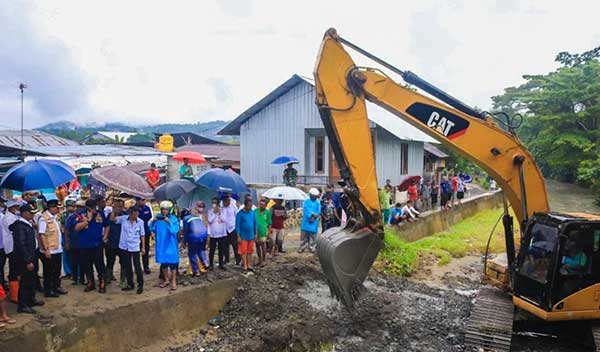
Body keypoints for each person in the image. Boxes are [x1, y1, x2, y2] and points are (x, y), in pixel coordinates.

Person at [10, 204, 44, 313]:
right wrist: (28, 260)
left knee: (32, 280)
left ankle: (30, 299)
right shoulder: (20, 226)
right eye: (31, 213)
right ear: (24, 213)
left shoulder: (26, 224)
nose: (33, 215)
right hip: (25, 258)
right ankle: (23, 305)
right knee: (25, 281)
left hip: (31, 255)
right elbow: (21, 244)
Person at [72, 199, 107, 293]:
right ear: (87, 208)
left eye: (95, 207)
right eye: (92, 208)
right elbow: (76, 228)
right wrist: (88, 220)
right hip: (84, 245)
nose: (95, 209)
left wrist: (105, 236)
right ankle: (90, 282)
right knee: (87, 265)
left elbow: (107, 225)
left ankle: (102, 283)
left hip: (97, 244)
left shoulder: (100, 213)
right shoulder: (80, 214)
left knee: (100, 264)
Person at [112, 206, 145, 294]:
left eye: (137, 214)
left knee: (137, 266)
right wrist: (113, 210)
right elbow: (113, 219)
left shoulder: (140, 222)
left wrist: (143, 247)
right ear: (130, 214)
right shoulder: (123, 219)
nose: (136, 216)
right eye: (134, 214)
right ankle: (130, 284)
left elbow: (142, 235)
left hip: (135, 246)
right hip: (124, 246)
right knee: (127, 266)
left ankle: (140, 284)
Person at [38, 200, 67, 298]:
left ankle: (56, 287)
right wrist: (46, 249)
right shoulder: (43, 219)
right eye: (57, 207)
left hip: (57, 248)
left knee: (57, 270)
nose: (58, 209)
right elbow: (41, 235)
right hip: (50, 250)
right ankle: (48, 290)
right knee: (49, 271)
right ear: (51, 208)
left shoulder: (55, 217)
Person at [152, 201, 180, 290]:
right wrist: (153, 221)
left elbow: (174, 231)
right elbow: (152, 229)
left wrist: (169, 223)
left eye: (166, 210)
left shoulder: (174, 219)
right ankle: (166, 280)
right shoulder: (159, 219)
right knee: (163, 263)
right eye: (163, 209)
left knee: (173, 264)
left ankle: (174, 281)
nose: (164, 211)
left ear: (170, 210)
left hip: (171, 244)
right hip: (161, 244)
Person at [182, 203, 209, 276]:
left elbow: (186, 231)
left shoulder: (185, 219)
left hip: (194, 236)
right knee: (201, 250)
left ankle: (196, 271)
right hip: (204, 235)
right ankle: (206, 263)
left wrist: (184, 242)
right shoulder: (197, 217)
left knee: (192, 253)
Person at [3, 199, 21, 303]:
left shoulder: (14, 216)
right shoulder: (8, 218)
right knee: (14, 270)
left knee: (17, 269)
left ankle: (16, 292)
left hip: (16, 247)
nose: (17, 208)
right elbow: (12, 228)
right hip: (12, 247)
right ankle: (14, 295)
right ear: (10, 207)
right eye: (15, 206)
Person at [104, 199, 126, 285]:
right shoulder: (109, 215)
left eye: (120, 206)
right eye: (116, 206)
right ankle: (108, 277)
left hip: (122, 243)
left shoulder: (125, 215)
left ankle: (123, 280)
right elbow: (107, 225)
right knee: (110, 261)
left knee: (124, 262)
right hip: (111, 242)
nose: (118, 208)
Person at [65, 200, 86, 286]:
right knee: (74, 262)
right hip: (73, 242)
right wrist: (66, 242)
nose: (79, 208)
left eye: (81, 207)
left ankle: (81, 278)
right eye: (77, 206)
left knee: (83, 262)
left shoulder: (86, 217)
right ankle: (74, 278)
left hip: (83, 243)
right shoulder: (72, 217)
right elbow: (66, 230)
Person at [236, 198, 257, 274]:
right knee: (243, 251)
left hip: (251, 235)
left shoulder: (252, 213)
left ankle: (249, 264)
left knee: (250, 251)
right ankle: (245, 265)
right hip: (243, 236)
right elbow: (237, 226)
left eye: (251, 206)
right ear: (245, 205)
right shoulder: (240, 214)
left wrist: (255, 233)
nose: (251, 207)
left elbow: (255, 224)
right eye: (249, 206)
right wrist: (238, 236)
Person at [207, 197, 228, 270]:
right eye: (213, 202)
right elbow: (209, 220)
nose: (214, 204)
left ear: (218, 203)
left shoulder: (223, 210)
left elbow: (224, 219)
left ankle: (221, 264)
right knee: (212, 249)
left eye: (215, 202)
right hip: (213, 233)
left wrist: (219, 213)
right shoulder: (210, 211)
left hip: (222, 233)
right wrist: (214, 213)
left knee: (221, 249)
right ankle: (211, 264)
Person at [221, 194, 241, 266]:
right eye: (226, 201)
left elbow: (237, 216)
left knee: (235, 245)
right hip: (224, 229)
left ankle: (238, 260)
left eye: (229, 200)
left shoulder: (233, 206)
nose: (228, 202)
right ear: (223, 201)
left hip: (233, 228)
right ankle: (226, 259)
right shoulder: (221, 208)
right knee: (225, 245)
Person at [299, 188, 321, 253]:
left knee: (313, 237)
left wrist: (315, 216)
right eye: (314, 195)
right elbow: (306, 210)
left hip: (314, 222)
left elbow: (318, 211)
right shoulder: (306, 201)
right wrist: (311, 215)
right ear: (310, 195)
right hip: (306, 221)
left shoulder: (318, 203)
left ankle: (312, 248)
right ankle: (302, 247)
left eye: (316, 196)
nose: (315, 197)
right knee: (304, 236)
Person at [136, 198, 153, 274]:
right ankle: (137, 268)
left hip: (146, 232)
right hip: (136, 234)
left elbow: (149, 216)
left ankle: (146, 267)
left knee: (145, 250)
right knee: (136, 251)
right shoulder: (134, 209)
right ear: (137, 200)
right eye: (141, 200)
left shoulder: (147, 208)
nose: (143, 202)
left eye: (144, 200)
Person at [254, 199, 271, 267]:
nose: (261, 206)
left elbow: (269, 223)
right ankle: (259, 260)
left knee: (263, 245)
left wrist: (269, 233)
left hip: (264, 231)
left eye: (263, 205)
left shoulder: (267, 212)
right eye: (260, 204)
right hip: (256, 231)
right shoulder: (255, 211)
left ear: (266, 205)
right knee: (257, 246)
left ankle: (264, 260)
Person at [0, 197, 7, 291]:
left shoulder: (2, 215)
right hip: (1, 245)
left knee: (1, 266)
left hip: (3, 245)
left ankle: (2, 283)